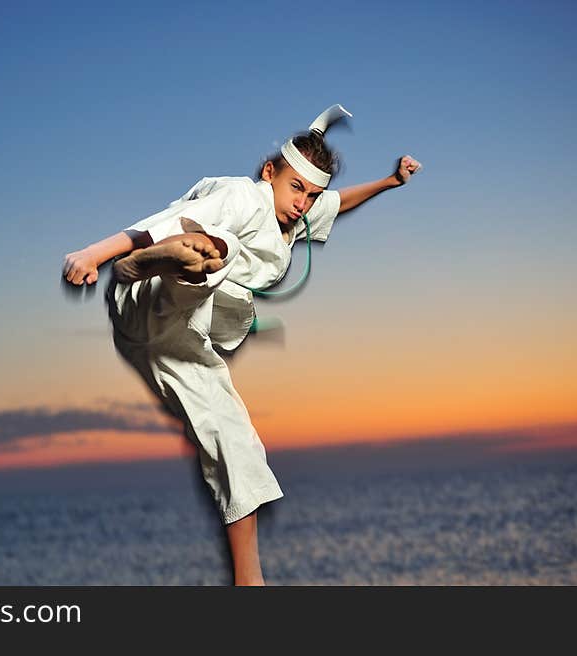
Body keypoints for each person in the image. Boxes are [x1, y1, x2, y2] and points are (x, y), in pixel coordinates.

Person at [63, 105, 422, 585]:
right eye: (296, 188)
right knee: (222, 249)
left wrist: (390, 182)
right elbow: (165, 218)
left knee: (237, 442)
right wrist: (92, 254)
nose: (302, 202)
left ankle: (249, 582)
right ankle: (153, 263)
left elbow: (336, 202)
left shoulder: (297, 214)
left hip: (183, 341)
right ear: (269, 172)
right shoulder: (243, 196)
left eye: (310, 194)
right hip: (150, 298)